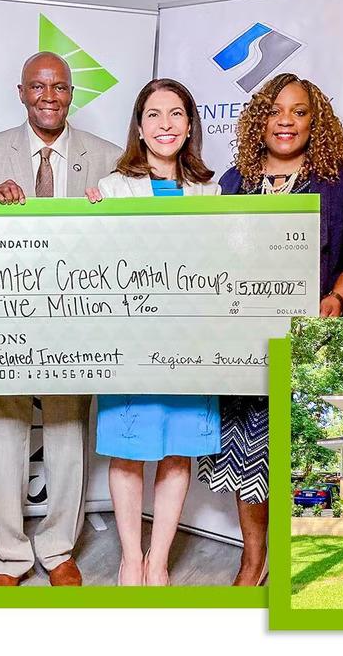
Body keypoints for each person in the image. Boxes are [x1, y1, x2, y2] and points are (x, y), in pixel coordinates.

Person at [0, 51, 122, 586]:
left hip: (77, 322)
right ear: (21, 91)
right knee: (0, 431)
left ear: (73, 94)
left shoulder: (108, 157)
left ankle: (58, 549)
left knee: (69, 432)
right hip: (2, 322)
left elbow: (129, 242)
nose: (50, 97)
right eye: (38, 87)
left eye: (61, 87)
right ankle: (7, 554)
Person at [205, 73, 343, 585]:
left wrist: (337, 297)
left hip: (312, 343)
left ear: (314, 120)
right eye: (276, 110)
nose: (286, 121)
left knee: (303, 453)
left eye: (299, 112)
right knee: (248, 457)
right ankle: (253, 560)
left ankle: (302, 562)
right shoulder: (234, 181)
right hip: (243, 346)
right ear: (260, 118)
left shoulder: (341, 182)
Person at [85, 78, 220, 585]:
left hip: (190, 341)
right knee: (129, 447)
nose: (166, 124)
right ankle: (129, 558)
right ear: (139, 128)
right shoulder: (112, 188)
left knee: (176, 448)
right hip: (130, 341)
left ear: (189, 127)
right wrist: (88, 216)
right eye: (155, 115)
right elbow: (91, 262)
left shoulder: (212, 191)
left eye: (176, 114)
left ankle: (158, 559)